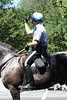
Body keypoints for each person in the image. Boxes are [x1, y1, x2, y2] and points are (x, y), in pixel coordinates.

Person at [19, 12, 48, 90]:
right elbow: (28, 32)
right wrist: (25, 23)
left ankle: (30, 83)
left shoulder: (39, 28)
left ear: (36, 20)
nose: (32, 21)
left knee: (25, 62)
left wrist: (28, 45)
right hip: (37, 48)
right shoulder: (37, 27)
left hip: (39, 49)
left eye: (33, 20)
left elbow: (36, 42)